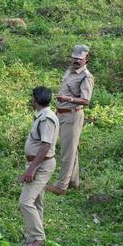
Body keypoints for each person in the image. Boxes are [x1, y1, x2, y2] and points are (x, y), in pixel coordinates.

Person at [47, 44, 95, 195]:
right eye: (74, 57)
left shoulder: (86, 77)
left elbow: (86, 100)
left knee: (68, 151)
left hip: (73, 115)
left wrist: (67, 99)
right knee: (71, 148)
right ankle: (74, 181)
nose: (76, 61)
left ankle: (61, 186)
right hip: (61, 113)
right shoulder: (70, 72)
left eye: (79, 59)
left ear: (86, 59)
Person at [18, 86, 59, 246]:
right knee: (36, 202)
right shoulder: (42, 116)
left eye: (32, 98)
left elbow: (45, 146)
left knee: (25, 201)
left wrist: (32, 169)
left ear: (36, 99)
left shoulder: (47, 118)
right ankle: (33, 236)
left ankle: (39, 239)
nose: (31, 101)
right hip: (38, 163)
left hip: (42, 165)